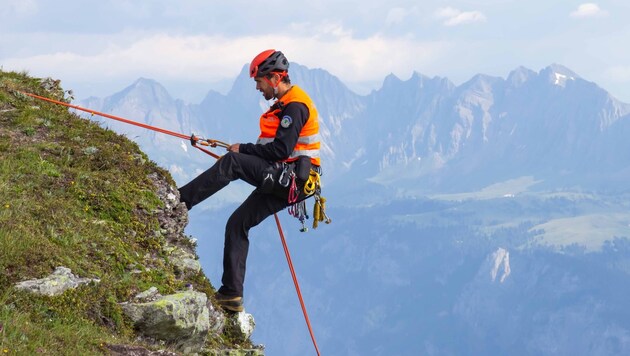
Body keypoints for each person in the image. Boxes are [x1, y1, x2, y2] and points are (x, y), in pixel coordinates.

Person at [178, 49, 321, 312]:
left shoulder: (295, 106)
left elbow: (280, 150)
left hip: (289, 179)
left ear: (275, 78)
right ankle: (231, 295)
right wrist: (245, 151)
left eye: (259, 81)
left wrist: (242, 150)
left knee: (232, 163)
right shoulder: (285, 104)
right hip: (288, 180)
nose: (257, 87)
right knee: (237, 224)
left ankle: (178, 202)